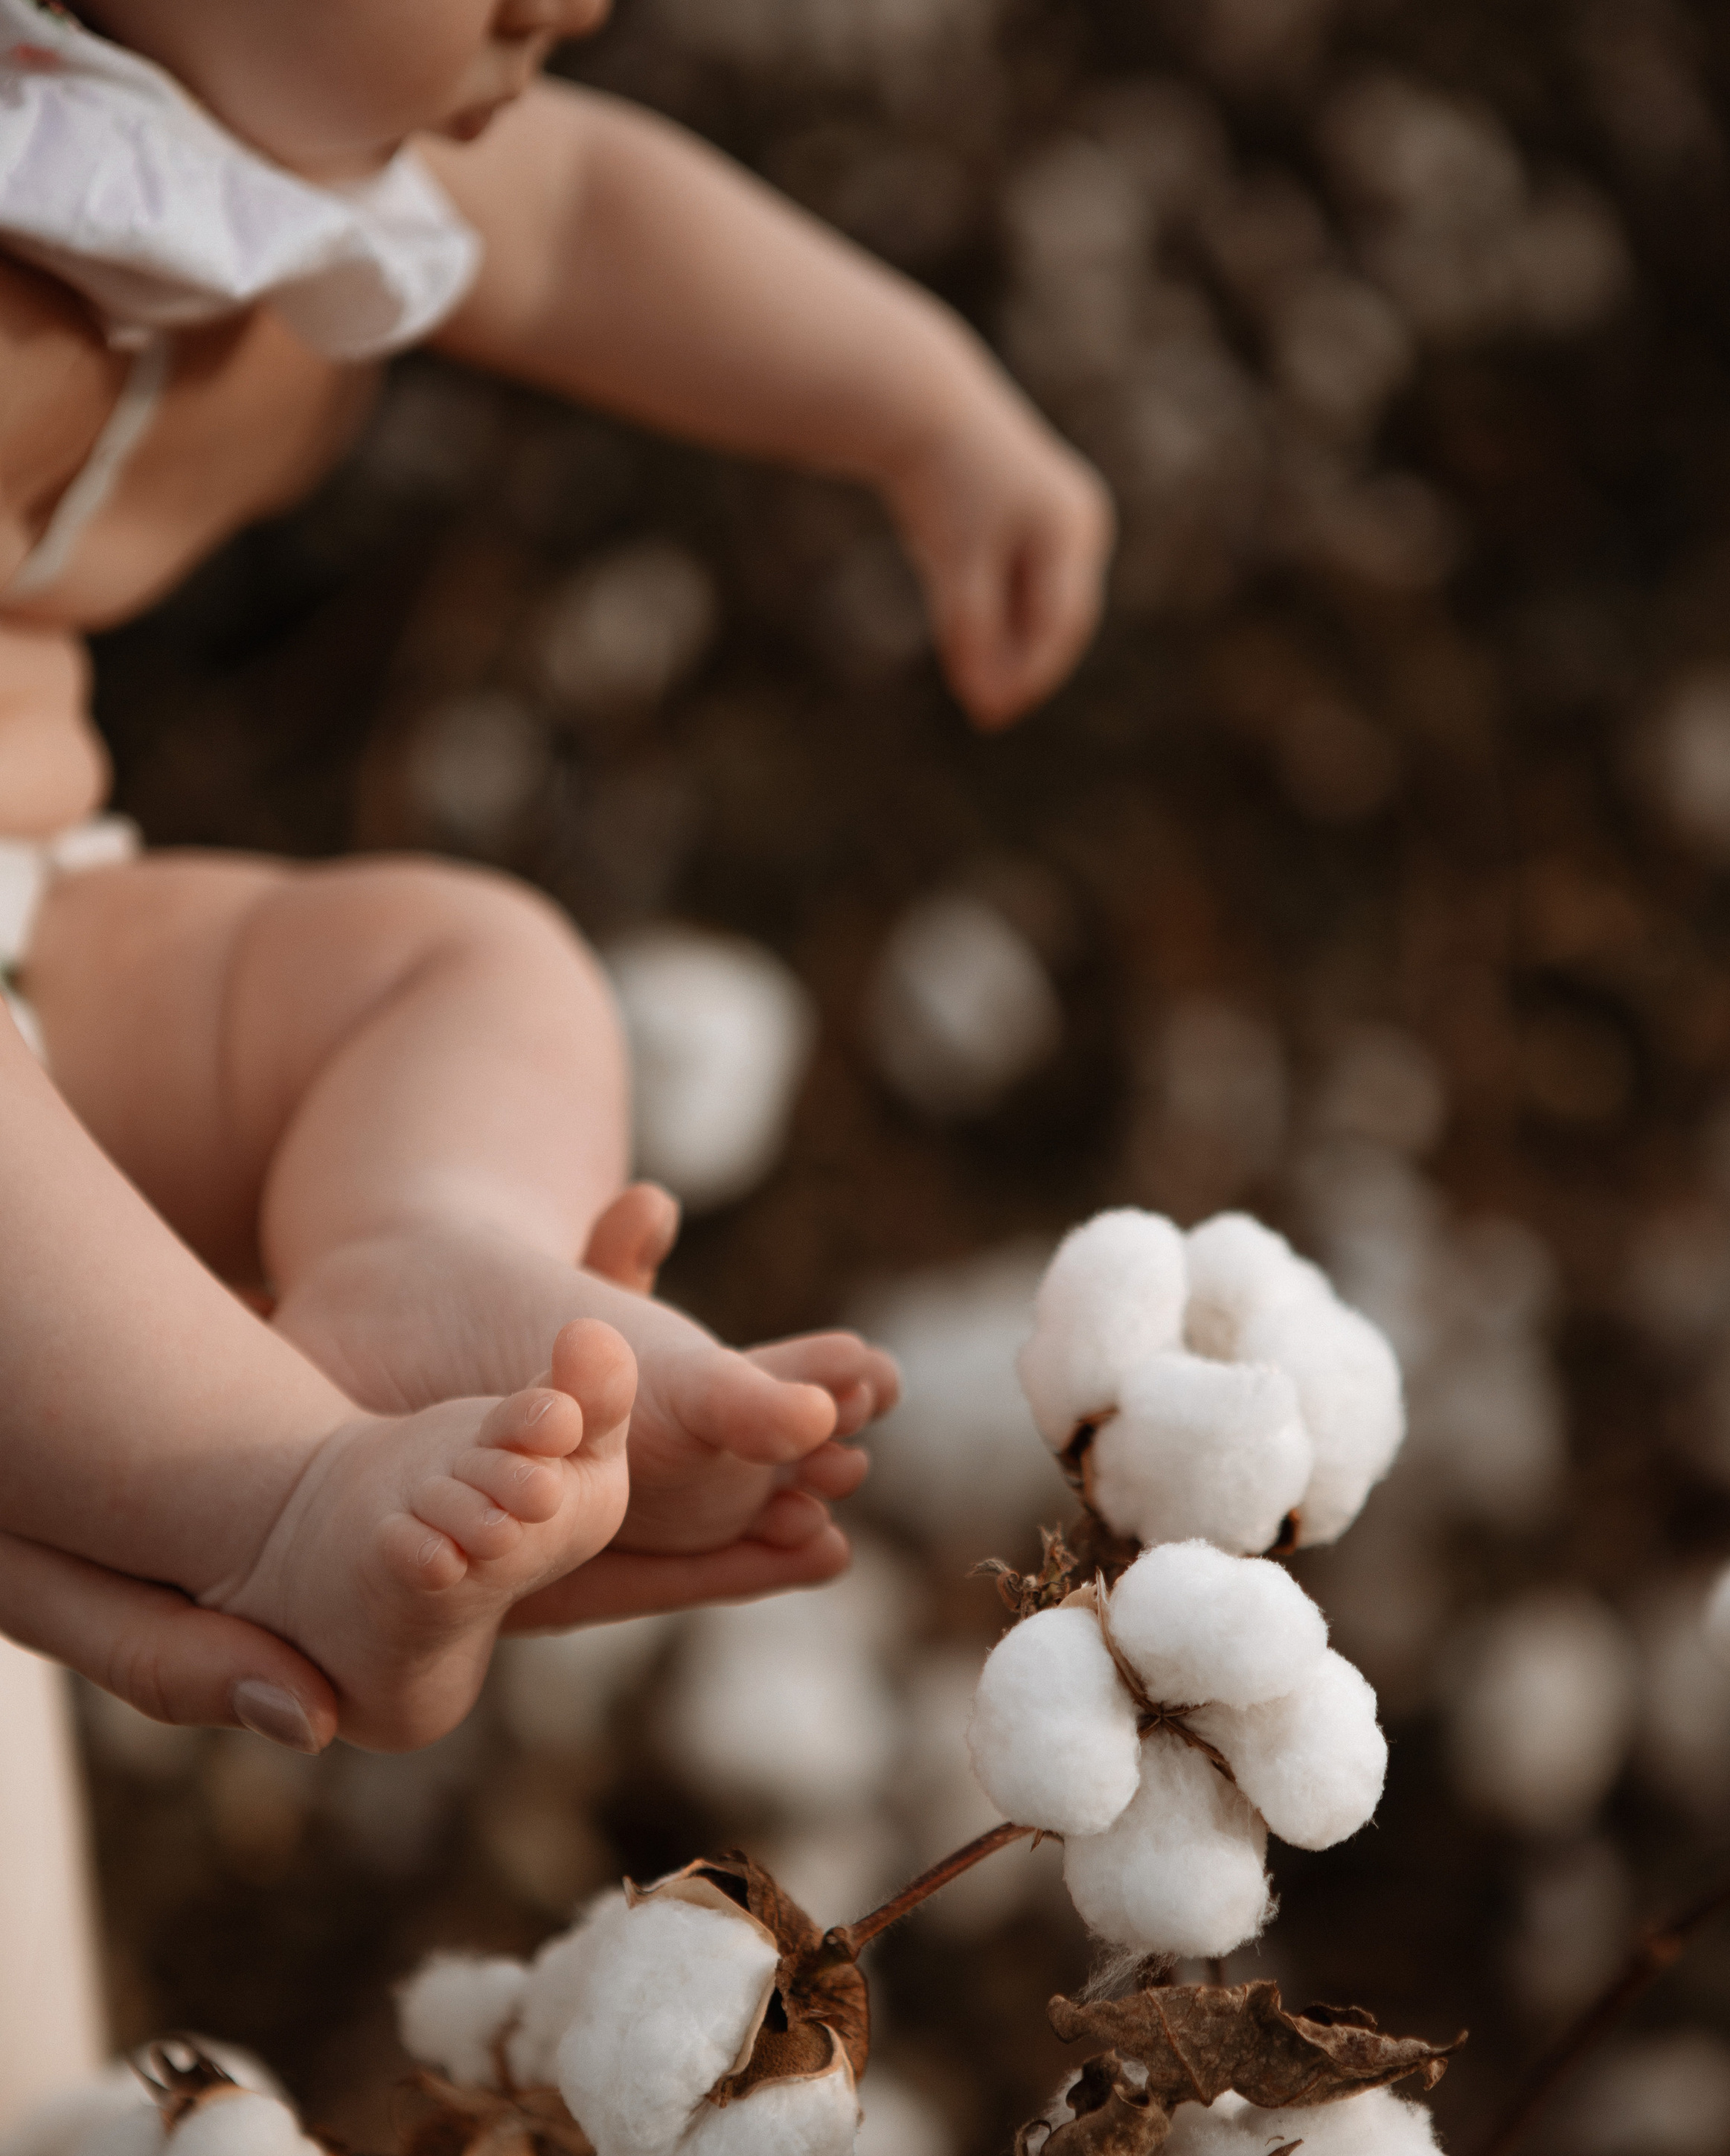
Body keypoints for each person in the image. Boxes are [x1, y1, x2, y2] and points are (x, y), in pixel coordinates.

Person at [0, 0, 1114, 1750]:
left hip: (46, 925)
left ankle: (416, 1259)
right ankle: (273, 1500)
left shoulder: (294, 141)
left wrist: (928, 408)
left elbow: (589, 212)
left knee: (464, 965)